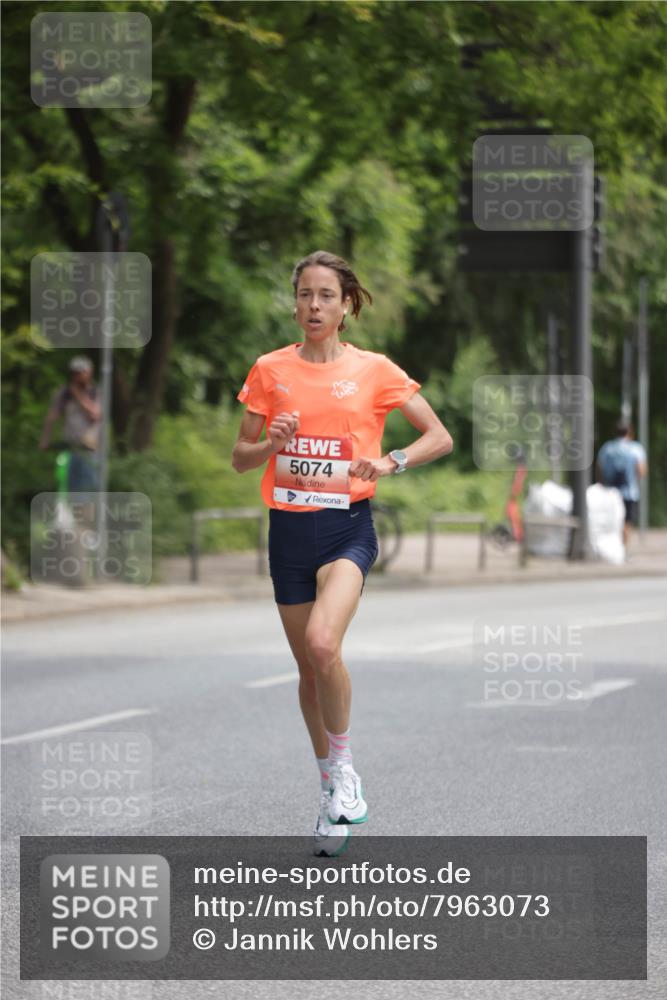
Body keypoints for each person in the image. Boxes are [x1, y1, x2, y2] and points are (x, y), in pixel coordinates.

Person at [232, 250, 453, 856]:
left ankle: (347, 768)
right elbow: (240, 456)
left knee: (324, 644)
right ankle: (330, 787)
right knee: (308, 669)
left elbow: (439, 435)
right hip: (288, 530)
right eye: (304, 294)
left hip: (346, 527)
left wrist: (390, 460)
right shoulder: (269, 370)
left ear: (346, 304)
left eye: (326, 295)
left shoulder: (376, 370)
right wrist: (269, 443)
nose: (313, 305)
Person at [39, 356, 102, 493]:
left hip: (88, 450)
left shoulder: (94, 392)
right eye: (74, 373)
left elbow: (95, 415)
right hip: (69, 449)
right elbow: (52, 417)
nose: (76, 377)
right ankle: (69, 513)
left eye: (80, 373)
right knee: (67, 489)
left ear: (89, 373)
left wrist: (78, 396)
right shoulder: (64, 393)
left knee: (86, 490)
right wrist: (45, 439)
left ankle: (87, 514)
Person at [596, 420, 648, 546]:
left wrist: (602, 484)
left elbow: (599, 468)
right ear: (630, 432)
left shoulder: (607, 448)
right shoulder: (636, 448)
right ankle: (623, 549)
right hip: (630, 492)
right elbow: (641, 470)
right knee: (627, 522)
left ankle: (613, 547)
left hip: (610, 492)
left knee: (612, 520)